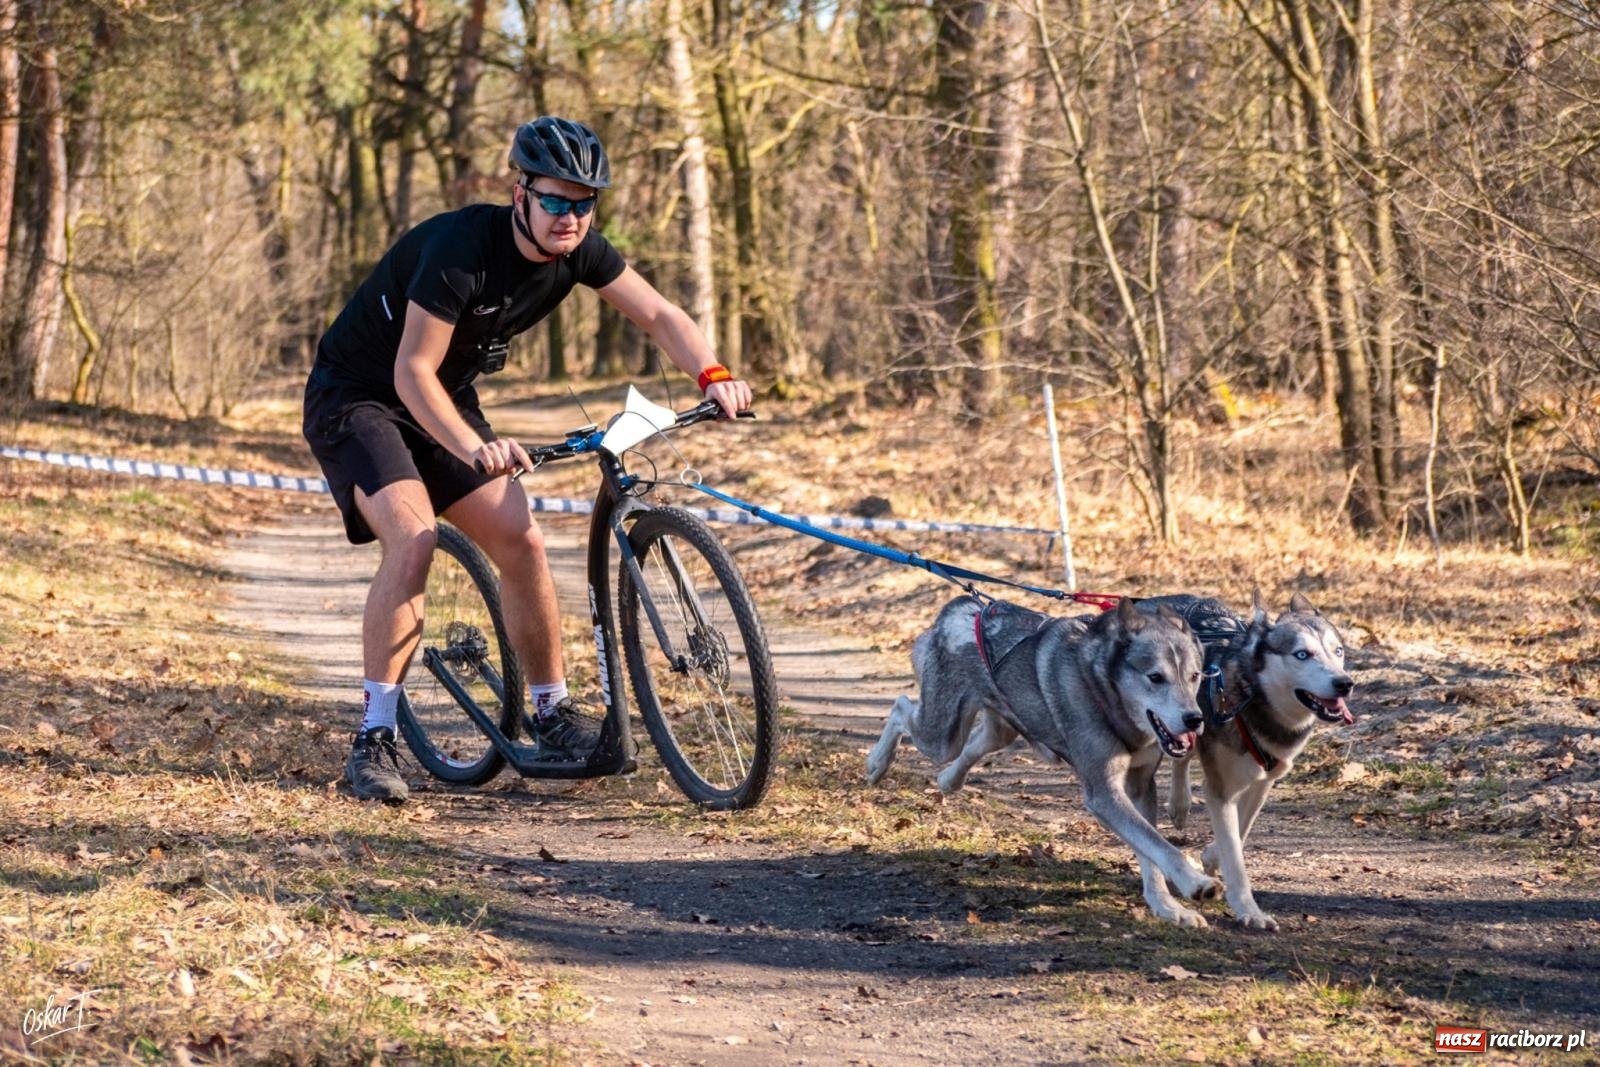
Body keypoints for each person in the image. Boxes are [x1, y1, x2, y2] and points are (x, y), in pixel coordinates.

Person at [302, 116, 754, 803]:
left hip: (439, 398)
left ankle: (550, 712)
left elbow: (660, 315)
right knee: (414, 537)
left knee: (524, 540)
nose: (569, 217)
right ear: (520, 194)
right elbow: (410, 374)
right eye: (554, 201)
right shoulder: (460, 251)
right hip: (360, 396)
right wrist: (474, 445)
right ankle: (374, 738)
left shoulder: (579, 250)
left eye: (583, 204)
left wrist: (711, 373)